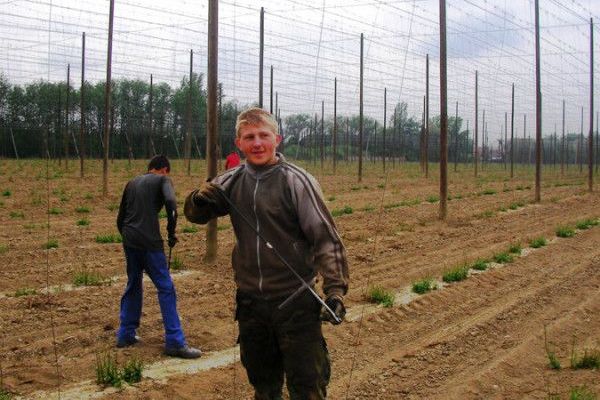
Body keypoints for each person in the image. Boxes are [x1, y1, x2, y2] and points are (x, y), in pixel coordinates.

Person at [184, 108, 349, 399]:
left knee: (307, 385)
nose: (257, 143)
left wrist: (335, 291)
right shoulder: (231, 180)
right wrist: (197, 201)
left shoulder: (297, 181)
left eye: (264, 135)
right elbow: (197, 214)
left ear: (277, 139)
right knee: (263, 385)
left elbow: (325, 238)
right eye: (249, 137)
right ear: (239, 143)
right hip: (251, 304)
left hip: (295, 301)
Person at [116, 155, 201, 359]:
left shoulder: (132, 182)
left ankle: (125, 334)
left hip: (129, 238)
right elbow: (172, 205)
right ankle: (175, 342)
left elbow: (120, 217)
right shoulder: (163, 180)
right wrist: (171, 233)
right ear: (164, 169)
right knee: (165, 288)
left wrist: (129, 237)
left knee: (134, 283)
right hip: (150, 242)